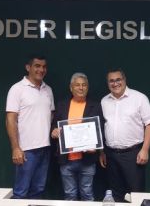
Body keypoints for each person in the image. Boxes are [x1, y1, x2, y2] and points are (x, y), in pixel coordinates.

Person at [99, 68, 150, 202]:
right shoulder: (104, 101)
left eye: (118, 80)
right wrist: (102, 151)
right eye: (111, 81)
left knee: (136, 194)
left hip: (133, 155)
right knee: (116, 194)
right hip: (111, 155)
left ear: (124, 80)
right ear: (108, 83)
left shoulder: (139, 98)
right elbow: (102, 127)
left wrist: (145, 149)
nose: (115, 83)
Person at [5, 54, 55, 199]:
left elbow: (50, 116)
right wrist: (15, 148)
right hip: (26, 151)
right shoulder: (17, 89)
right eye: (37, 66)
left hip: (45, 149)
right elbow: (10, 120)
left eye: (44, 67)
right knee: (20, 192)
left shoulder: (48, 90)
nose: (41, 70)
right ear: (28, 67)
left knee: (38, 190)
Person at [51, 72, 103, 201]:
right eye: (77, 85)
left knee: (87, 194)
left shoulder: (95, 106)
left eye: (84, 85)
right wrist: (54, 132)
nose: (81, 88)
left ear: (87, 87)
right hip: (66, 159)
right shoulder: (62, 105)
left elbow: (100, 129)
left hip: (88, 159)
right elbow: (53, 127)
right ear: (71, 88)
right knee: (70, 195)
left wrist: (96, 147)